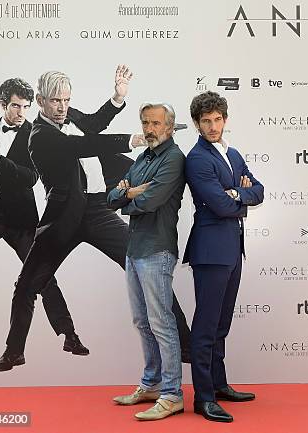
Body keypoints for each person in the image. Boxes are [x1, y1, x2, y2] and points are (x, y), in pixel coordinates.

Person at [0, 66, 191, 371]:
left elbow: (94, 124)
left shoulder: (70, 115)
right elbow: (81, 146)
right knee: (27, 285)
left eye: (67, 100)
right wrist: (135, 138)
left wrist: (117, 97)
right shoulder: (39, 136)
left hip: (98, 210)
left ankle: (186, 345)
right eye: (56, 101)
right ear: (41, 101)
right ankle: (14, 351)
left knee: (147, 264)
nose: (63, 107)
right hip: (62, 218)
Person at [0, 78, 87, 357]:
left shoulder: (36, 133)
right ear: (3, 104)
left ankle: (69, 334)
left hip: (21, 218)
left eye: (26, 107)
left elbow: (30, 178)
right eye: (16, 106)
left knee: (43, 277)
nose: (21, 113)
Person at [184, 91, 264, 422]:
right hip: (210, 250)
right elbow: (218, 204)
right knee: (206, 325)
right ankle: (203, 398)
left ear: (225, 120)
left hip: (232, 248)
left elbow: (258, 190)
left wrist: (238, 194)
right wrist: (237, 197)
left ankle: (218, 385)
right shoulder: (198, 159)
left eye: (218, 120)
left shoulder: (232, 153)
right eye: (206, 121)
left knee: (222, 323)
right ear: (197, 124)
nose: (213, 126)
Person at [108, 103, 186, 421]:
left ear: (169, 126)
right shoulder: (143, 158)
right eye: (145, 122)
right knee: (142, 322)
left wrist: (129, 194)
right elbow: (111, 198)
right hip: (134, 249)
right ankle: (151, 385)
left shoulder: (174, 159)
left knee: (162, 324)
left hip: (157, 251)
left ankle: (172, 394)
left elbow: (151, 201)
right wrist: (128, 193)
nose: (149, 128)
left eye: (155, 123)